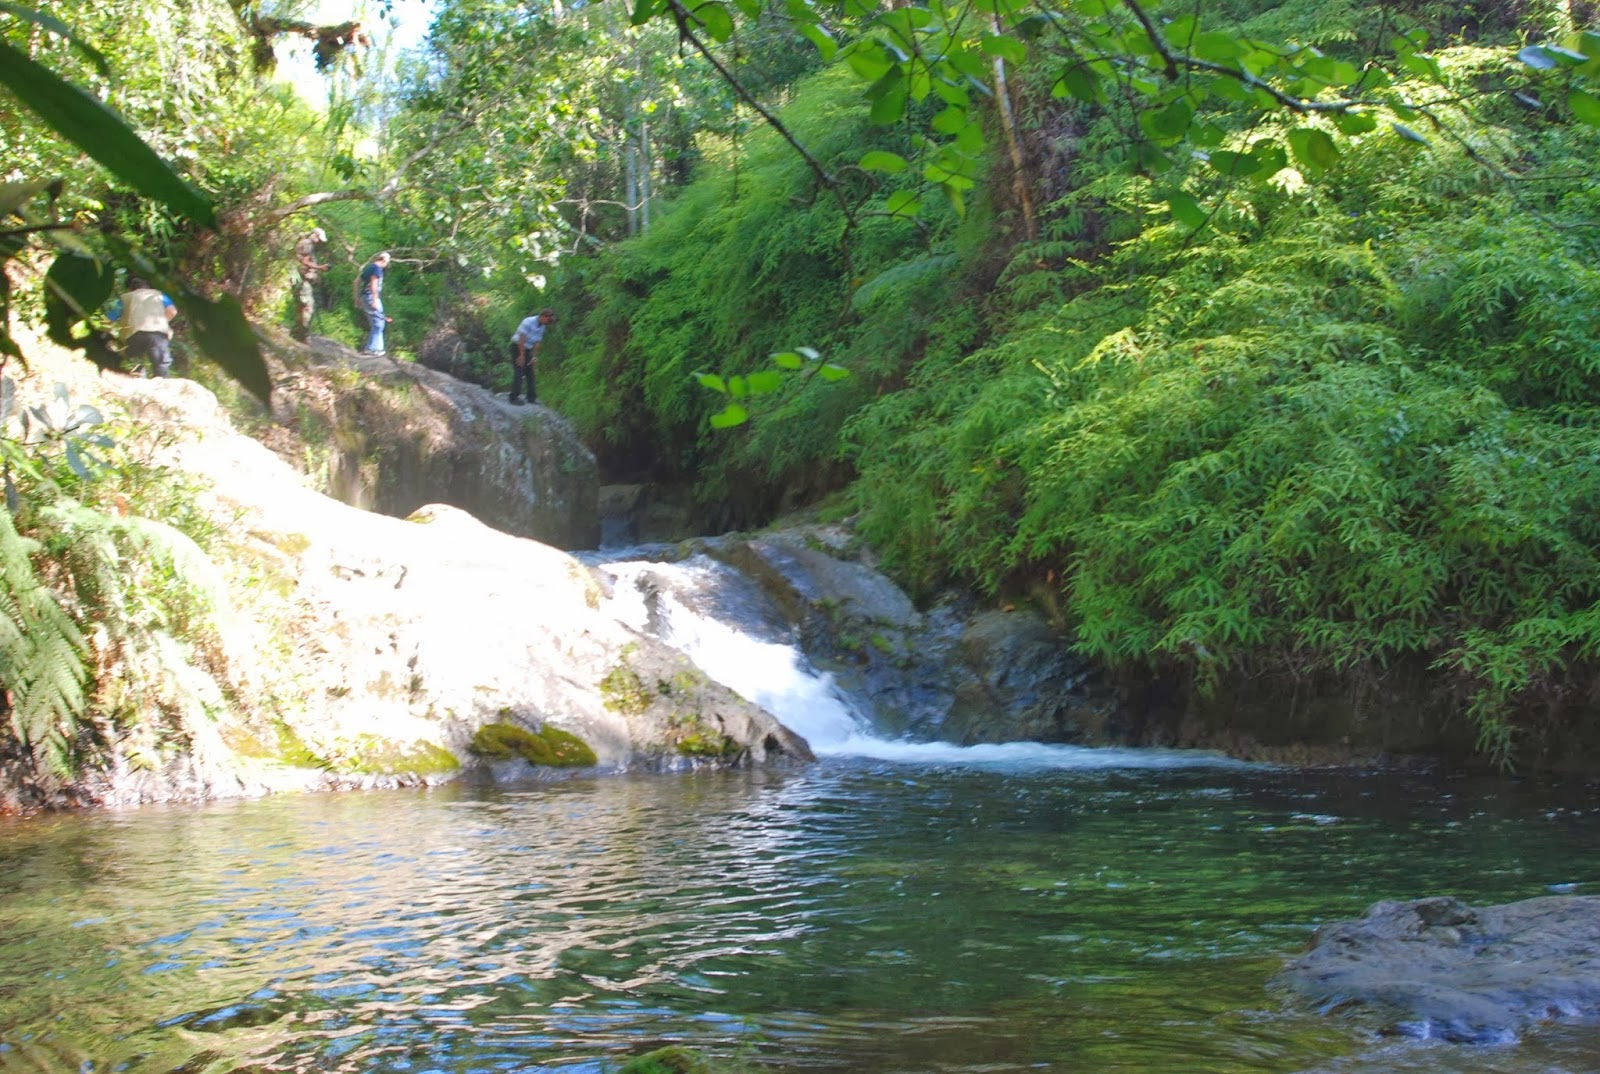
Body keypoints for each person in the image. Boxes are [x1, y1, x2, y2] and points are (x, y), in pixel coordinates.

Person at [110, 277, 177, 377]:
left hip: (133, 335)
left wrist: (105, 332)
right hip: (157, 334)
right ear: (149, 286)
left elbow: (108, 318)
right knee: (161, 365)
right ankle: (162, 387)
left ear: (130, 288)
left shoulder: (125, 298)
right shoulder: (160, 295)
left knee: (135, 364)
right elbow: (172, 311)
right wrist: (163, 322)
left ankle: (138, 384)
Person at [507, 308, 557, 405]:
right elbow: (521, 339)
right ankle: (513, 397)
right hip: (518, 347)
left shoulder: (542, 326)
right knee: (519, 371)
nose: (548, 323)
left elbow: (537, 343)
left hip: (528, 348)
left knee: (530, 373)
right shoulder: (528, 322)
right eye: (548, 321)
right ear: (543, 316)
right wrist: (521, 355)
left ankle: (531, 397)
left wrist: (534, 357)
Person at [291, 226, 329, 340]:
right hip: (302, 280)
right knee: (308, 306)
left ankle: (297, 333)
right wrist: (320, 267)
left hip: (301, 279)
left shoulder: (305, 243)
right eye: (318, 238)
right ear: (314, 235)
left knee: (302, 307)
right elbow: (304, 261)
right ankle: (301, 335)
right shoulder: (307, 244)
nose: (319, 242)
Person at [356, 250, 392, 355]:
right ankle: (374, 349)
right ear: (384, 260)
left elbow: (356, 282)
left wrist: (357, 298)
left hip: (365, 297)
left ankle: (371, 348)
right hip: (371, 297)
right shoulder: (377, 269)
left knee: (375, 323)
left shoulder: (369, 267)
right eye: (387, 262)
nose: (386, 265)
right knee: (379, 324)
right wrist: (374, 300)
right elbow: (374, 284)